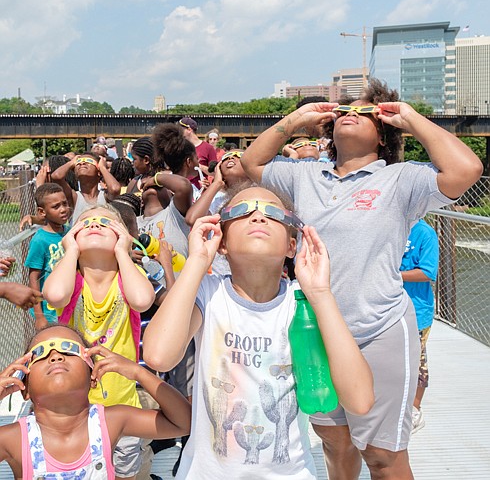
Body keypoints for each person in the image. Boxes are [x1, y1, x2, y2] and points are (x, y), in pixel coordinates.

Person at [240, 79, 483, 480]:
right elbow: (253, 164)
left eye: (365, 111)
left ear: (383, 131)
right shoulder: (305, 177)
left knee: (382, 456)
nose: (351, 114)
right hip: (315, 331)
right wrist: (298, 118)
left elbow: (466, 169)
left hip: (379, 330)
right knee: (335, 443)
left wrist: (411, 118)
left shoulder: (402, 179)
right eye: (345, 111)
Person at [143, 183, 374, 479]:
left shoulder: (303, 302)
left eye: (273, 213)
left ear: (292, 245)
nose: (258, 217)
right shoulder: (207, 294)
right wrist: (197, 261)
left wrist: (321, 293)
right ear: (221, 242)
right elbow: (158, 356)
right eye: (242, 211)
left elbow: (360, 400)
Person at [43, 205, 156, 480]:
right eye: (85, 223)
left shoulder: (127, 280)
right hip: (76, 408)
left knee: (126, 472)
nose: (95, 224)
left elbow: (142, 300)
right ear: (72, 236)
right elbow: (54, 295)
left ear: (122, 236)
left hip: (123, 405)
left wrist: (123, 252)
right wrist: (69, 249)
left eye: (106, 223)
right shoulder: (71, 282)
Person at [0, 324, 191, 479]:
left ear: (93, 377)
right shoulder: (14, 438)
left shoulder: (110, 421)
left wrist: (138, 372)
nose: (56, 356)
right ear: (24, 387)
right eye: (40, 353)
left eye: (69, 350)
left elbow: (184, 423)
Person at [400, 219, 439, 434]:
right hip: (388, 306)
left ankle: (415, 409)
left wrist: (393, 275)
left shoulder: (425, 233)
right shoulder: (392, 225)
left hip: (417, 310)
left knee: (417, 361)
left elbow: (427, 272)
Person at [24, 184, 70, 331]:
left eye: (65, 204)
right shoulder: (40, 240)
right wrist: (39, 316)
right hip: (49, 311)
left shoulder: (70, 233)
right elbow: (33, 279)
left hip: (68, 304)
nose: (63, 209)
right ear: (42, 212)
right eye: (56, 207)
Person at [51, 152, 121, 222]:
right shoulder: (74, 197)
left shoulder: (105, 196)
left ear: (98, 172)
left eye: (89, 161)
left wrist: (102, 168)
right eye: (78, 162)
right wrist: (71, 163)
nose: (82, 163)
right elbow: (57, 176)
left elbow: (115, 189)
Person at [179, 117, 217, 189]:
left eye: (181, 130)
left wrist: (197, 165)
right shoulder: (180, 148)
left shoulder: (208, 148)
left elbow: (214, 173)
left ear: (189, 130)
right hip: (182, 189)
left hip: (200, 191)